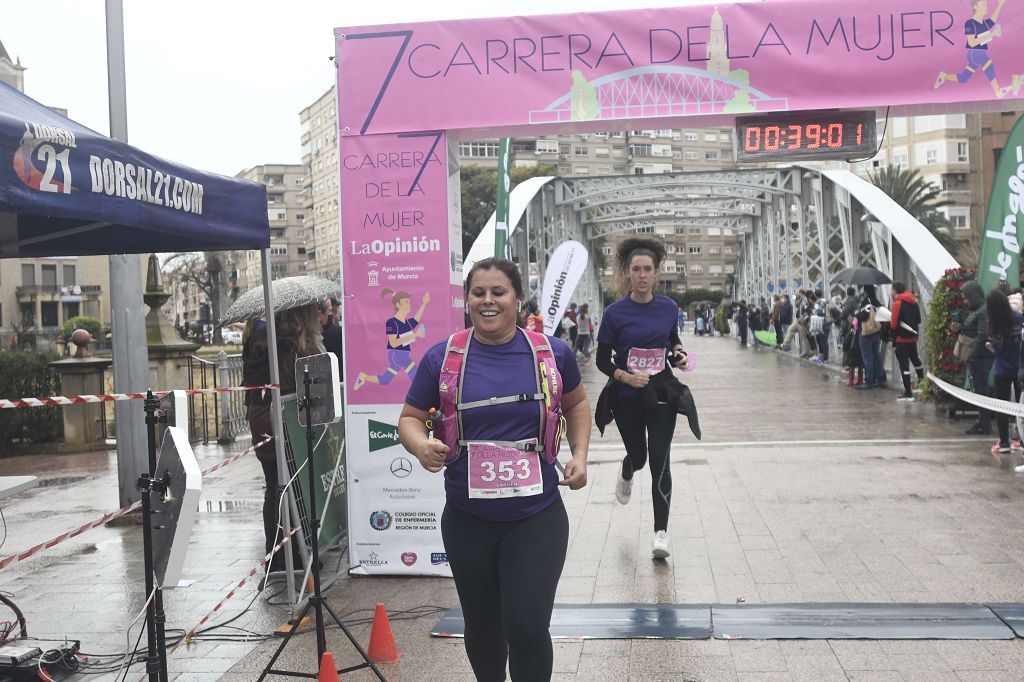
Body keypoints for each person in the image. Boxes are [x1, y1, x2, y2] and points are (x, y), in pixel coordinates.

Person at [397, 257, 590, 682]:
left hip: (536, 517)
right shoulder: (443, 358)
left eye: (498, 292)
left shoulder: (552, 353)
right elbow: (409, 418)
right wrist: (420, 445)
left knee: (525, 626)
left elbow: (576, 404)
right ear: (467, 300)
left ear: (517, 298)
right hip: (468, 520)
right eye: (478, 293)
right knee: (484, 630)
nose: (488, 301)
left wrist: (579, 455)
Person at [597, 237, 689, 560]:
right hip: (626, 395)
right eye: (636, 269)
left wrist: (679, 355)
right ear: (628, 273)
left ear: (656, 272)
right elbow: (601, 361)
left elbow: (672, 341)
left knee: (660, 460)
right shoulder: (614, 313)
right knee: (639, 458)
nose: (642, 275)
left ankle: (660, 533)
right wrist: (626, 376)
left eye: (647, 269)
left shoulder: (668, 307)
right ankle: (628, 467)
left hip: (661, 391)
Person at [242, 304, 324, 572]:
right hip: (287, 423)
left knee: (274, 487)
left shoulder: (257, 342)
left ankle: (275, 554)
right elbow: (300, 391)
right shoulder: (294, 348)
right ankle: (296, 553)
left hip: (260, 419)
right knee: (295, 487)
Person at [353, 288, 430, 391]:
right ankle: (422, 396)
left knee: (385, 380)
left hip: (403, 355)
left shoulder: (406, 322)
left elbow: (416, 319)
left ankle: (364, 377)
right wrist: (415, 335)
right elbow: (393, 343)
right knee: (416, 378)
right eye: (406, 302)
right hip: (397, 354)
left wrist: (424, 303)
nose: (409, 304)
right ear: (398, 305)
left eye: (409, 302)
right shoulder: (391, 322)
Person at [985, 288, 1022, 454]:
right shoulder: (1019, 318)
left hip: (1002, 369)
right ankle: (1022, 440)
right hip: (1020, 368)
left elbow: (994, 344)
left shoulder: (993, 325)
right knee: (1021, 406)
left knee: (1001, 405)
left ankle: (1004, 442)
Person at [956, 280, 993, 434]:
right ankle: (982, 421)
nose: (965, 301)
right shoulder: (976, 310)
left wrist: (973, 355)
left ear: (973, 296)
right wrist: (960, 328)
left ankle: (984, 424)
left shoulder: (982, 311)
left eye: (966, 298)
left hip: (981, 357)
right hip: (978, 356)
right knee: (978, 389)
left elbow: (982, 335)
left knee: (980, 390)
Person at [889, 282, 925, 401]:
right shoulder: (914, 301)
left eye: (892, 289)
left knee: (904, 365)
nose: (891, 292)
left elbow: (893, 323)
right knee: (916, 360)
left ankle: (908, 393)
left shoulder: (897, 303)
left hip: (901, 338)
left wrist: (892, 336)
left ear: (895, 290)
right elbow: (918, 320)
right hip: (913, 337)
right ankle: (922, 385)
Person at [856, 285, 885, 390]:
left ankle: (869, 381)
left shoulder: (866, 302)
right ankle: (880, 379)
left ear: (866, 292)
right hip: (876, 332)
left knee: (868, 358)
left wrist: (857, 314)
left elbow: (863, 317)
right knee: (877, 356)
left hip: (866, 333)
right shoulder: (877, 302)